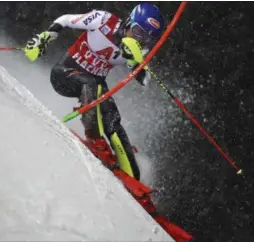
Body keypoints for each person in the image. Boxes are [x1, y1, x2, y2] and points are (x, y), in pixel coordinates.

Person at [24, 3, 164, 181]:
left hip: (94, 89)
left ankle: (132, 173)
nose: (140, 39)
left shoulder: (138, 51)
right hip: (64, 75)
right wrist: (46, 37)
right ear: (129, 21)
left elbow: (145, 80)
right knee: (91, 83)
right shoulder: (103, 20)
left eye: (147, 39)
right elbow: (66, 20)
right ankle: (95, 139)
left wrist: (132, 61)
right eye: (138, 32)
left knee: (112, 119)